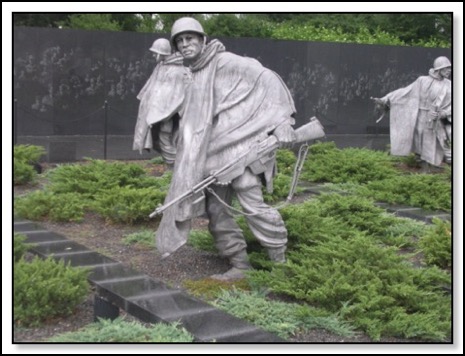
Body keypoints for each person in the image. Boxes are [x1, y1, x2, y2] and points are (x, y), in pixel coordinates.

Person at [155, 17, 297, 280]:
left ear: (202, 39)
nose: (186, 45)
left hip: (241, 148)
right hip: (211, 155)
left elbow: (267, 79)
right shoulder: (190, 74)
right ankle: (240, 265)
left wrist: (282, 123)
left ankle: (281, 266)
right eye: (181, 41)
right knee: (216, 210)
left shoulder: (226, 62)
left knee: (252, 203)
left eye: (190, 39)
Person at [372, 56, 452, 169]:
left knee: (438, 141)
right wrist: (386, 98)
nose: (450, 70)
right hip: (420, 116)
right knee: (419, 140)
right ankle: (422, 164)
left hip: (436, 118)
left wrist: (443, 114)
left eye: (450, 68)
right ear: (439, 69)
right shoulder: (422, 81)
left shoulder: (449, 85)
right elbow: (405, 92)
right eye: (447, 68)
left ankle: (440, 164)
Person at [133, 38, 187, 164]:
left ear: (161, 53)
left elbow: (173, 98)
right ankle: (171, 167)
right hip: (156, 115)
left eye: (155, 52)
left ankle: (173, 167)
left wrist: (158, 116)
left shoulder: (176, 71)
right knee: (157, 141)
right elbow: (152, 88)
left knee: (164, 138)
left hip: (165, 117)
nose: (153, 55)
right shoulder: (161, 67)